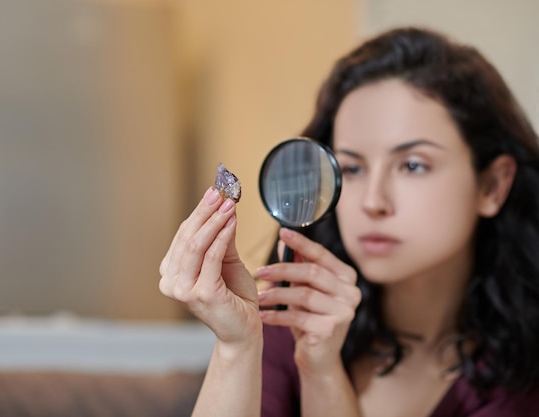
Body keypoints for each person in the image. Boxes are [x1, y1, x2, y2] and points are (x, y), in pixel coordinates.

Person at [158, 27, 539, 417]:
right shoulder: (288, 323)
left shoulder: (524, 371)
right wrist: (237, 347)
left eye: (412, 165)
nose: (373, 202)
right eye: (352, 168)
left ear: (492, 185)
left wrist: (323, 375)